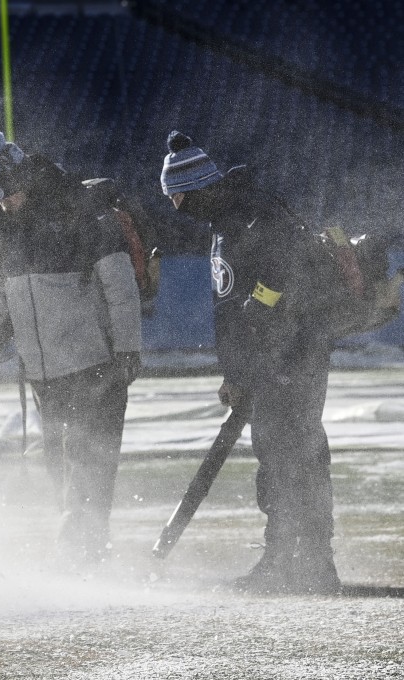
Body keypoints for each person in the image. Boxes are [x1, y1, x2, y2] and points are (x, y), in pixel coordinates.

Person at [0, 130, 143, 562]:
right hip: (44, 374)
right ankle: (86, 549)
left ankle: (82, 551)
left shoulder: (78, 207)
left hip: (95, 362)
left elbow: (119, 282)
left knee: (89, 463)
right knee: (61, 469)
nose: (7, 202)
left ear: (27, 180)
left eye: (11, 192)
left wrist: (128, 347)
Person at [159, 130, 340, 595]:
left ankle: (301, 563)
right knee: (283, 456)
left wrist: (262, 311)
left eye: (177, 195)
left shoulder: (256, 214)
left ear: (198, 186)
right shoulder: (226, 223)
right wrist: (235, 372)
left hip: (291, 357)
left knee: (292, 455)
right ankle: (298, 561)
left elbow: (281, 276)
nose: (175, 207)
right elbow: (230, 306)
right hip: (265, 362)